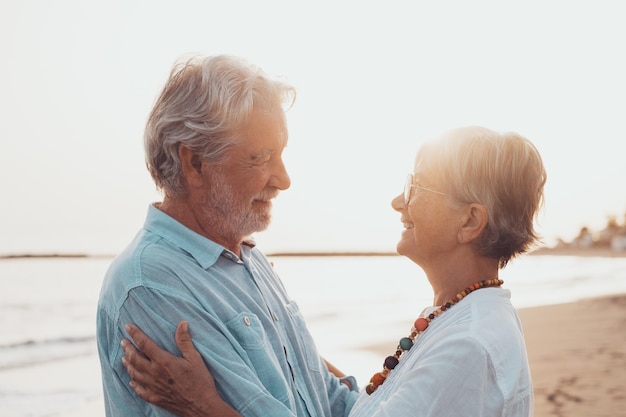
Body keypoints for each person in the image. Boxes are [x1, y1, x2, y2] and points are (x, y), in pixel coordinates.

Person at [121, 125, 547, 417]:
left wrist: (205, 407)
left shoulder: (469, 348)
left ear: (470, 222)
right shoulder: (460, 317)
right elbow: (375, 404)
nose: (399, 203)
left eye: (416, 187)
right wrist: (279, 337)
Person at [96, 54, 359, 417]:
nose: (283, 180)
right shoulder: (151, 284)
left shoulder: (251, 261)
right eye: (263, 157)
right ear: (195, 164)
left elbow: (327, 399)